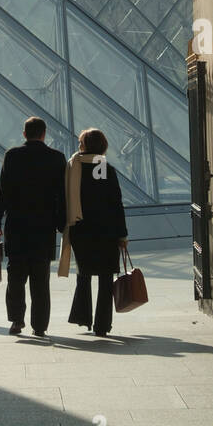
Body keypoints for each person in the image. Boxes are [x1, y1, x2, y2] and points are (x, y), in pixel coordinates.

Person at [0, 115, 67, 337]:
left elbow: (3, 191)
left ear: (24, 133)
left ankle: (16, 320)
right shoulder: (56, 158)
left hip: (17, 225)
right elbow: (61, 197)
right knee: (40, 280)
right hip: (44, 227)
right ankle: (40, 326)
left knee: (16, 277)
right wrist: (62, 224)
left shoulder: (12, 156)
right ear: (44, 134)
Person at [58, 127, 128, 336]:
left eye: (81, 142)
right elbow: (116, 204)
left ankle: (83, 317)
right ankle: (102, 325)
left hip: (81, 229)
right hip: (106, 231)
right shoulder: (105, 168)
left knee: (84, 273)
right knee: (106, 278)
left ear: (86, 146)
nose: (79, 146)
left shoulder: (73, 167)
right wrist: (122, 234)